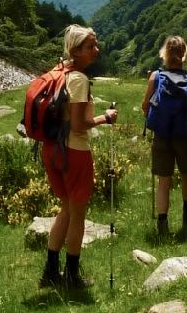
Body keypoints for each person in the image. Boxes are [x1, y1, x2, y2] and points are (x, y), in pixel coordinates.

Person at [39, 24, 118, 291]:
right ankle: (72, 276)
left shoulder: (59, 72)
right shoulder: (80, 80)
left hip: (51, 149)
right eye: (90, 47)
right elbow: (79, 125)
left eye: (95, 45)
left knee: (66, 208)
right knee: (78, 215)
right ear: (75, 50)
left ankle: (50, 271)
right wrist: (104, 117)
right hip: (74, 152)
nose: (97, 50)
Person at [140, 36, 187, 236]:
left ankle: (162, 225)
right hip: (184, 134)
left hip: (161, 134)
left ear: (164, 54)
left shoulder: (156, 77)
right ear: (184, 54)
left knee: (163, 180)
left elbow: (145, 106)